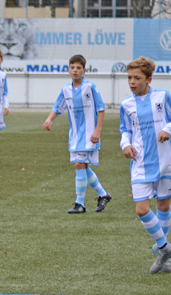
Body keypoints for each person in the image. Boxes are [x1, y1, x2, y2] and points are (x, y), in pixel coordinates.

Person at [119, 56, 171, 274]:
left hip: (165, 161)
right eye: (129, 77)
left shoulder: (162, 96)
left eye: (137, 78)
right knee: (141, 209)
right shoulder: (126, 105)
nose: (132, 82)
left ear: (148, 79)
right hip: (140, 163)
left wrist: (168, 129)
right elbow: (125, 130)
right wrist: (125, 145)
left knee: (164, 206)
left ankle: (163, 257)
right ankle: (165, 248)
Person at [43, 54, 111, 214]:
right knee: (82, 166)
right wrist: (49, 119)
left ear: (84, 70)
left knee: (79, 164)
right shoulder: (66, 89)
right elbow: (58, 107)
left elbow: (101, 109)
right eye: (72, 67)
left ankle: (80, 203)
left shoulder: (90, 87)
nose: (75, 70)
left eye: (78, 68)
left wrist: (97, 131)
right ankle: (103, 194)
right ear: (68, 69)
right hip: (75, 135)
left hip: (89, 134)